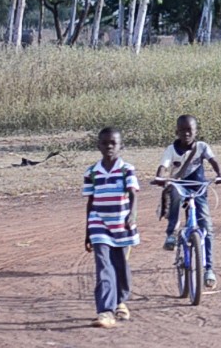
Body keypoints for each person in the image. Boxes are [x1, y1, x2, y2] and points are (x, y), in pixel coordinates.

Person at [153, 115, 221, 288]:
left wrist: (220, 175)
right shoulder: (171, 149)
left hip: (198, 188)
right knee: (175, 197)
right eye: (182, 130)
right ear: (176, 131)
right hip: (179, 186)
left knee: (206, 226)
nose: (186, 133)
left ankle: (208, 269)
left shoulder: (202, 147)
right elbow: (163, 166)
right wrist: (161, 178)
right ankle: (172, 233)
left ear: (195, 132)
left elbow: (213, 161)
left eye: (189, 130)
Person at [82, 127, 140, 329]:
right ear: (98, 145)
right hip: (99, 225)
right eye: (104, 143)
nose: (109, 147)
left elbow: (133, 194)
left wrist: (131, 216)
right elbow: (90, 202)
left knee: (120, 267)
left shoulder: (126, 169)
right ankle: (105, 311)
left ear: (120, 146)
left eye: (113, 143)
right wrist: (88, 231)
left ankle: (120, 301)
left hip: (121, 224)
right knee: (104, 267)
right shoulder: (92, 172)